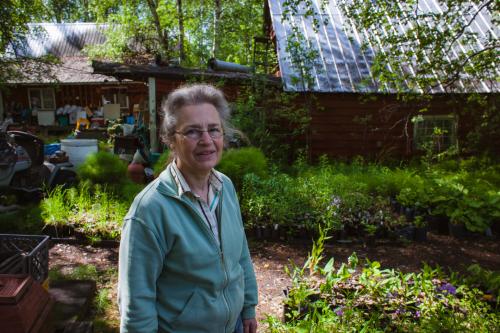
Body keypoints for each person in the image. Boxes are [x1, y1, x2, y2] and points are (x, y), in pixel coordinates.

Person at [118, 84, 258, 333]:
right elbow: (136, 301)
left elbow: (241, 255)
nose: (207, 141)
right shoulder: (150, 210)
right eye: (193, 132)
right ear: (172, 140)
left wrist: (248, 306)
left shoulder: (225, 186)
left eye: (214, 129)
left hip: (234, 325)